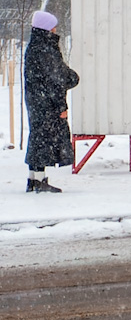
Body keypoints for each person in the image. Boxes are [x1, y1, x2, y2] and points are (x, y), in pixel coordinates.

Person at [24, 11, 79, 193]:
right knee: (44, 140)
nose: (55, 30)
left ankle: (33, 178)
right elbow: (56, 79)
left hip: (36, 101)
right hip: (48, 103)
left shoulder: (34, 46)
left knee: (37, 137)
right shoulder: (46, 48)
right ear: (47, 29)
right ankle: (40, 181)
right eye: (53, 26)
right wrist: (61, 107)